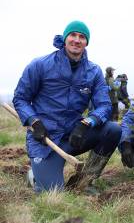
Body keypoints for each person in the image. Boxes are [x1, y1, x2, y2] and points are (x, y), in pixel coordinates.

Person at [13, 20, 122, 193]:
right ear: (65, 39)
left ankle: (85, 180)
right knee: (53, 194)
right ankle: (35, 175)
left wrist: (87, 123)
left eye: (82, 37)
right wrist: (33, 121)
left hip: (75, 135)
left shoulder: (93, 71)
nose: (77, 40)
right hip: (45, 140)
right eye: (73, 35)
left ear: (86, 42)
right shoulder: (39, 65)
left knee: (113, 130)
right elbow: (20, 99)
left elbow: (104, 106)